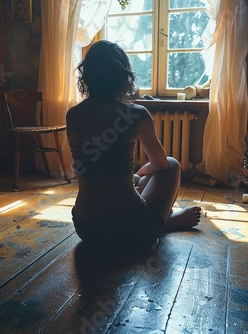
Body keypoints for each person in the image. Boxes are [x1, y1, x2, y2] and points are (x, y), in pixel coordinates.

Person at [67, 40, 201, 252]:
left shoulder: (73, 115)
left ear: (87, 75)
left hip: (86, 228)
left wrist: (134, 178)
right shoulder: (136, 114)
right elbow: (160, 164)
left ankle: (155, 213)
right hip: (130, 230)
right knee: (172, 164)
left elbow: (95, 168)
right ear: (123, 77)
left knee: (141, 179)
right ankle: (166, 223)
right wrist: (139, 174)